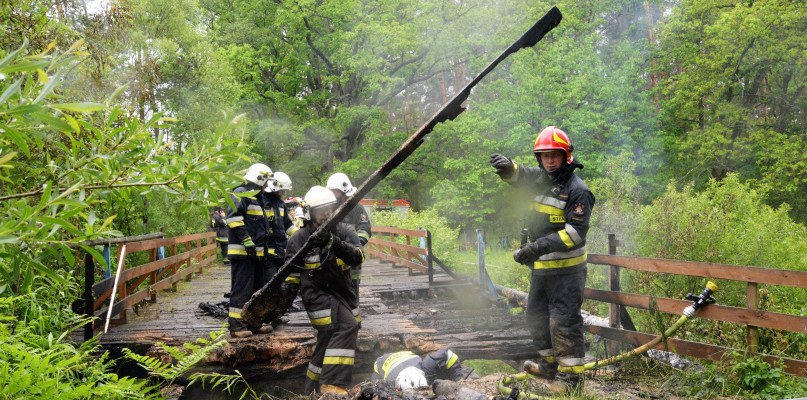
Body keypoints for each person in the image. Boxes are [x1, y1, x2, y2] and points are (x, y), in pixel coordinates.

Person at [490, 126, 595, 394]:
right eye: (544, 155)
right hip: (542, 269)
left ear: (566, 156)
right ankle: (550, 368)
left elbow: (574, 234)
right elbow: (522, 175)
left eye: (554, 155)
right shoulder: (541, 178)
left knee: (564, 323)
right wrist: (507, 167)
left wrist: (535, 248)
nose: (549, 160)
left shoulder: (578, 191)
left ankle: (571, 383)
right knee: (536, 318)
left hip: (567, 272)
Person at [286, 186, 364, 395]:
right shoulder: (299, 239)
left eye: (330, 208)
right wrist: (276, 309)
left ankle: (311, 389)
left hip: (344, 296)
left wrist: (333, 243)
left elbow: (358, 257)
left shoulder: (345, 231)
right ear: (310, 212)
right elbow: (290, 278)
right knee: (347, 326)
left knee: (326, 340)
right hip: (317, 298)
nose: (327, 214)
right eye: (321, 210)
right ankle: (332, 385)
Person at [225, 163, 275, 338]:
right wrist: (247, 241)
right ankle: (237, 326)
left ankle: (254, 322)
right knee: (242, 289)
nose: (267, 186)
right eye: (265, 182)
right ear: (258, 180)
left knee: (257, 290)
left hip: (258, 255)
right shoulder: (240, 193)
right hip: (243, 253)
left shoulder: (257, 197)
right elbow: (233, 219)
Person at [260, 172, 299, 326]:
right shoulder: (261, 202)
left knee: (279, 285)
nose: (283, 193)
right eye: (282, 190)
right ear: (273, 187)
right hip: (266, 253)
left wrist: (300, 236)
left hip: (280, 252)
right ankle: (265, 317)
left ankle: (274, 316)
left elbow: (288, 225)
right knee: (270, 285)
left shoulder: (280, 204)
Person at [326, 172, 371, 299]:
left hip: (352, 257)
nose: (332, 194)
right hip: (332, 257)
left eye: (334, 191)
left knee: (352, 290)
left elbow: (365, 228)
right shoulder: (328, 207)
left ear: (342, 191)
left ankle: (354, 315)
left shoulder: (356, 208)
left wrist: (356, 245)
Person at [370, 348, 477, 390]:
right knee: (375, 388)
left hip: (407, 355)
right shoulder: (389, 383)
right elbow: (377, 366)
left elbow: (448, 353)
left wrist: (459, 379)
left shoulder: (426, 365)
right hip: (382, 361)